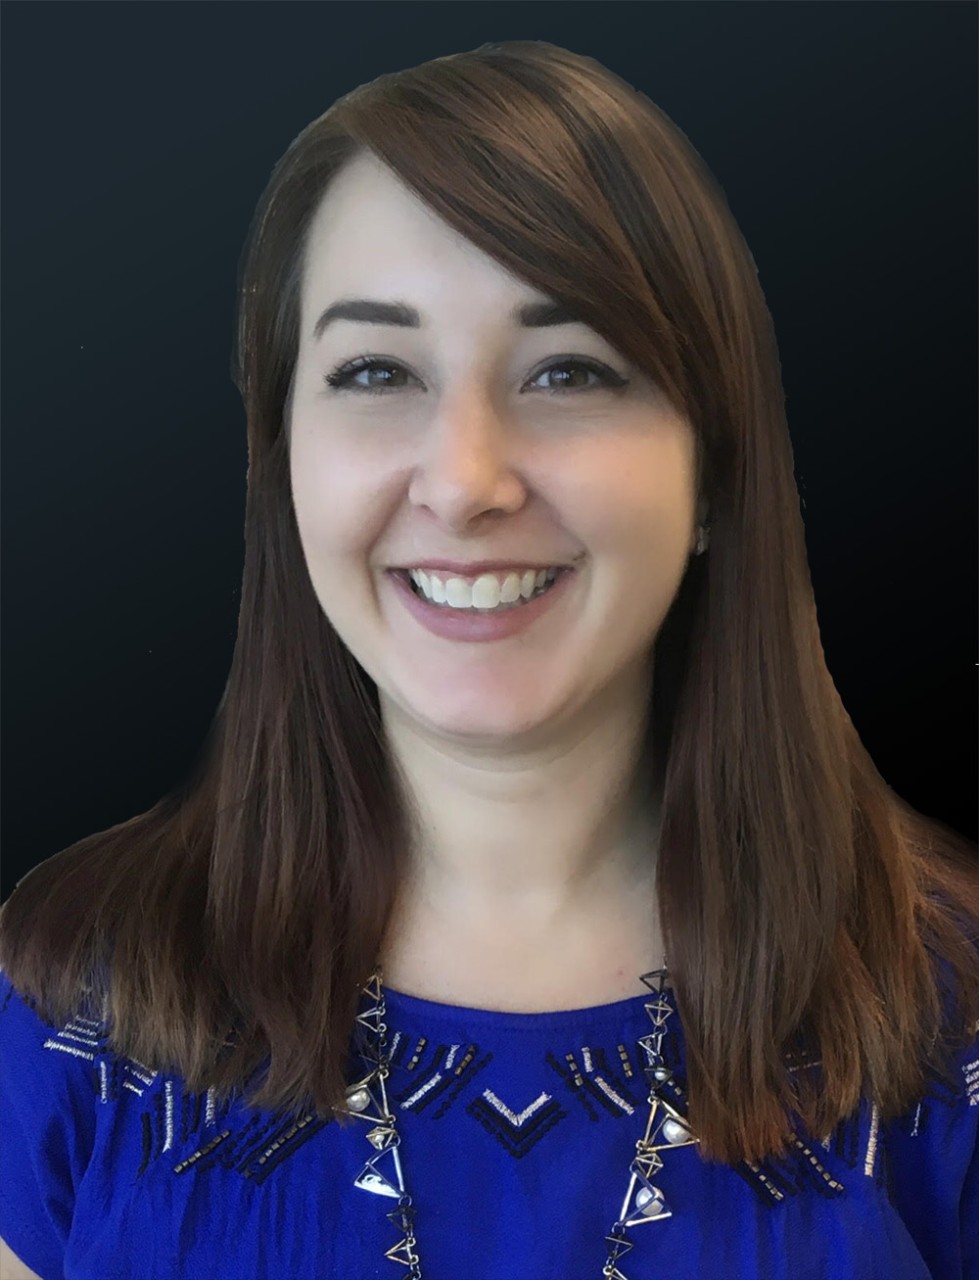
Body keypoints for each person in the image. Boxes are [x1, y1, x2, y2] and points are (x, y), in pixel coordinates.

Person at [1, 38, 977, 1280]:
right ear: (281, 459)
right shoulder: (66, 1005)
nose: (465, 480)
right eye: (375, 371)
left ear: (715, 472)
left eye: (568, 369)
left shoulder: (955, 1026)